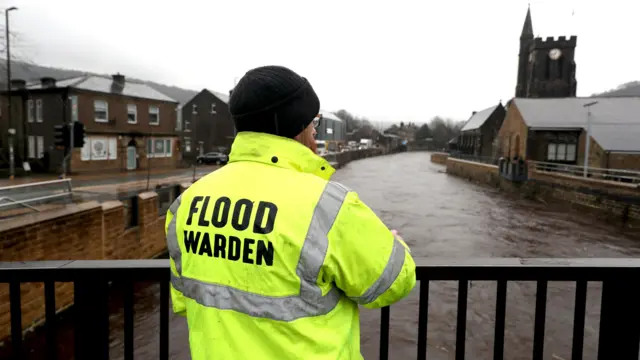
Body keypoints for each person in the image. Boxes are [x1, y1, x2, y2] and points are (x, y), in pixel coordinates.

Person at [165, 65, 416, 360]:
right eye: (314, 124)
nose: (314, 134)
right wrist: (392, 243)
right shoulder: (327, 205)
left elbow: (183, 297)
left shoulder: (188, 202)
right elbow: (392, 283)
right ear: (299, 127)